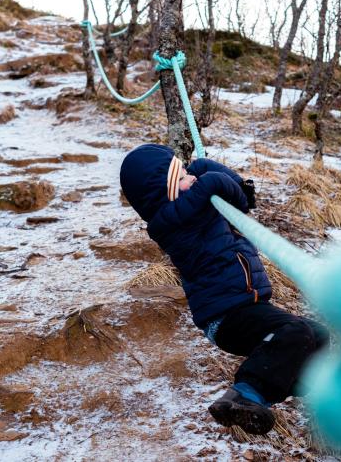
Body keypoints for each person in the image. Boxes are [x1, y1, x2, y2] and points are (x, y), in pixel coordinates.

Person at [120, 144, 329, 435]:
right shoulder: (173, 222)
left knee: (318, 334)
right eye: (181, 177)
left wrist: (202, 167)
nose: (190, 178)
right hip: (226, 317)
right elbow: (221, 186)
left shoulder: (191, 207)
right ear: (163, 190)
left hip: (246, 306)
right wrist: (208, 174)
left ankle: (301, 387)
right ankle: (242, 396)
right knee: (294, 332)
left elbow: (228, 190)